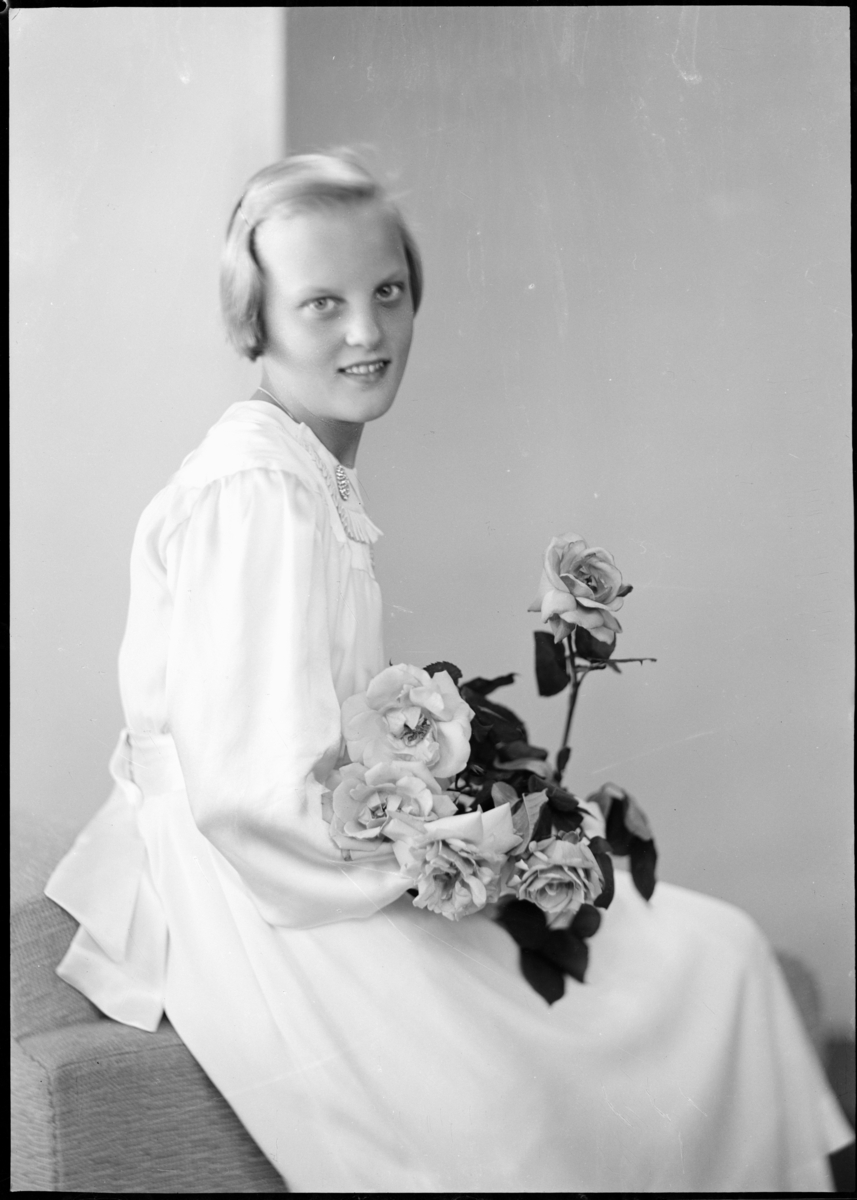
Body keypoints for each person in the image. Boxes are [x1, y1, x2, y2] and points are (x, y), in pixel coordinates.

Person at [46, 151, 853, 1193]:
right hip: (264, 898)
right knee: (548, 1087)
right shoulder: (257, 492)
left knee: (716, 952)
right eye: (322, 303)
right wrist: (445, 859)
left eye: (387, 292)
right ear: (254, 321)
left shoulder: (302, 471)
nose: (367, 332)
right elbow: (248, 797)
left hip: (313, 861)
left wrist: (461, 815)